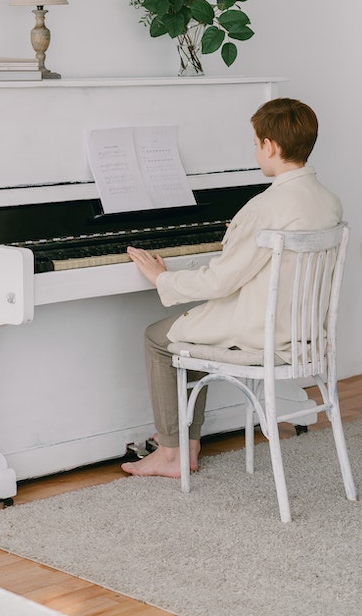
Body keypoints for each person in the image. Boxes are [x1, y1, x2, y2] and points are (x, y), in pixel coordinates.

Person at [121, 97, 342, 479]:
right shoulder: (328, 201)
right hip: (303, 333)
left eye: (256, 142)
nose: (255, 150)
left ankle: (173, 451)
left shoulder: (264, 207)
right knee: (187, 330)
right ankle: (184, 443)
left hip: (262, 334)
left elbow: (220, 280)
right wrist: (240, 239)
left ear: (270, 146)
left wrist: (162, 277)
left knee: (160, 338)